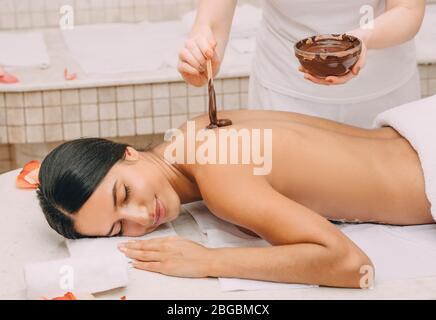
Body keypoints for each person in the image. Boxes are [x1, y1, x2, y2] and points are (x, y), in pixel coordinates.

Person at [36, 109, 433, 288]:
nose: (142, 215)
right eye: (119, 227)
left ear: (127, 151)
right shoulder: (188, 134)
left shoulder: (218, 178)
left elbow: (351, 265)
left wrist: (208, 261)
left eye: (124, 193)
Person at [178, 0, 426, 128]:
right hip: (285, 90)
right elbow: (210, 22)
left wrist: (364, 39)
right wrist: (204, 50)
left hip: (381, 87)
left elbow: (407, 9)